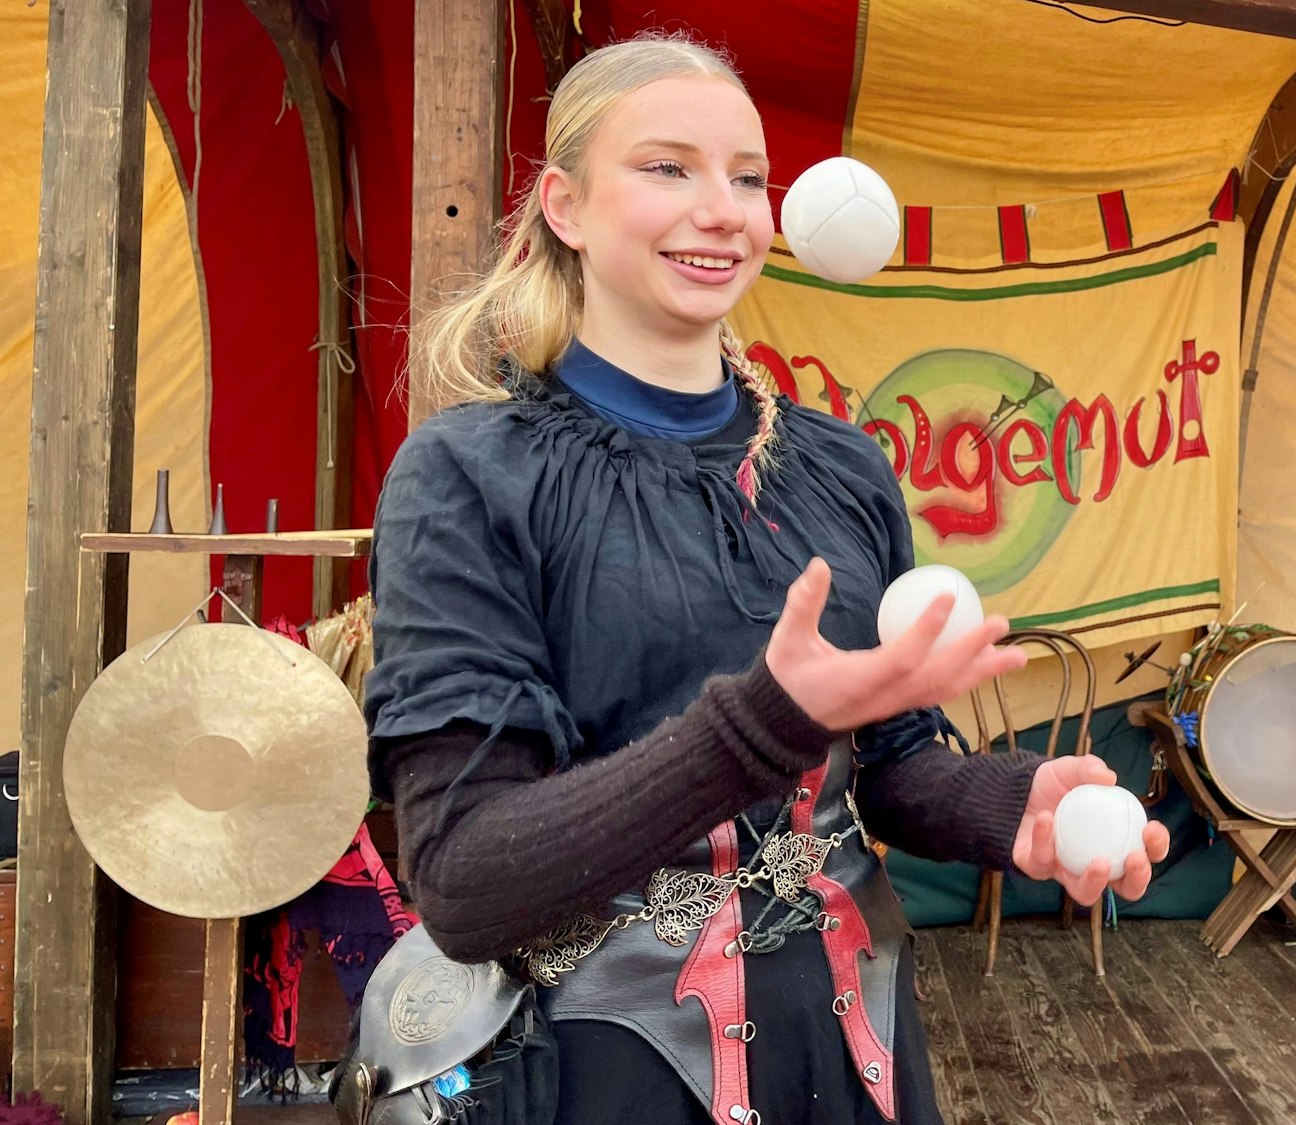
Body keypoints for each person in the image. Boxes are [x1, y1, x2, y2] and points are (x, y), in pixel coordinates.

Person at [363, 32, 1170, 1125]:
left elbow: (890, 762)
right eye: (666, 169)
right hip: (604, 1072)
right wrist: (759, 724)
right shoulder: (468, 476)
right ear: (564, 205)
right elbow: (465, 882)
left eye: (747, 178)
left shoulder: (840, 468)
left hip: (850, 1049)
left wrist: (1006, 806)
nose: (723, 209)